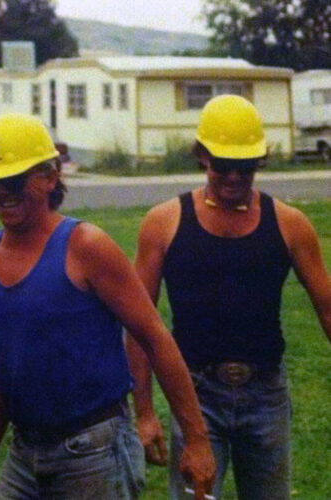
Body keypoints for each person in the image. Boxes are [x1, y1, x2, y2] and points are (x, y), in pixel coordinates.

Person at [0, 113, 215, 500]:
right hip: (24, 452)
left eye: (13, 181)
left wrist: (196, 439)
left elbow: (154, 337)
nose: (2, 193)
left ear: (49, 177)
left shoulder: (85, 247)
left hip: (93, 453)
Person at [126, 94, 331, 500]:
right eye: (223, 165)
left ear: (260, 161)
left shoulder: (290, 225)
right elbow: (138, 324)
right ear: (202, 156)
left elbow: (327, 310)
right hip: (195, 395)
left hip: (266, 393)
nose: (233, 177)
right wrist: (145, 412)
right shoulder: (164, 223)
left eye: (245, 166)